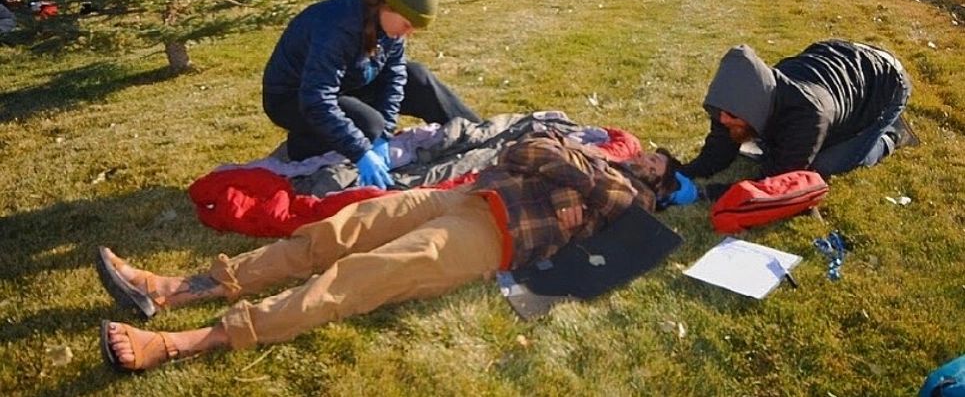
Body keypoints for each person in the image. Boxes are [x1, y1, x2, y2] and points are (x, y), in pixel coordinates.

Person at [96, 131, 689, 373]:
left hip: (493, 237)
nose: (643, 159)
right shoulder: (594, 159)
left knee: (356, 278)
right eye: (647, 154)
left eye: (655, 165)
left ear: (660, 184)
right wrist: (567, 183)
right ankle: (176, 289)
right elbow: (525, 148)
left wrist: (571, 174)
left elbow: (608, 195)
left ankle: (185, 342)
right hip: (461, 198)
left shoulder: (634, 201)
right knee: (332, 233)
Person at [262, 0, 480, 188]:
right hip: (293, 98)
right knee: (370, 125)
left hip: (346, 85)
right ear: (390, 6)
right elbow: (317, 97)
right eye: (407, 25)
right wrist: (361, 151)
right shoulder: (337, 27)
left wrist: (385, 135)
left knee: (418, 77)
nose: (408, 33)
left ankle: (481, 135)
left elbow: (394, 78)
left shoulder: (389, 27)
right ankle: (304, 144)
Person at [681, 39, 917, 184]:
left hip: (886, 82)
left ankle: (890, 135)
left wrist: (711, 193)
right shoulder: (736, 98)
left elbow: (776, 180)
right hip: (835, 56)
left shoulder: (810, 115)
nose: (723, 119)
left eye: (731, 116)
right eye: (721, 112)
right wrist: (682, 173)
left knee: (824, 165)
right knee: (773, 142)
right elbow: (717, 152)